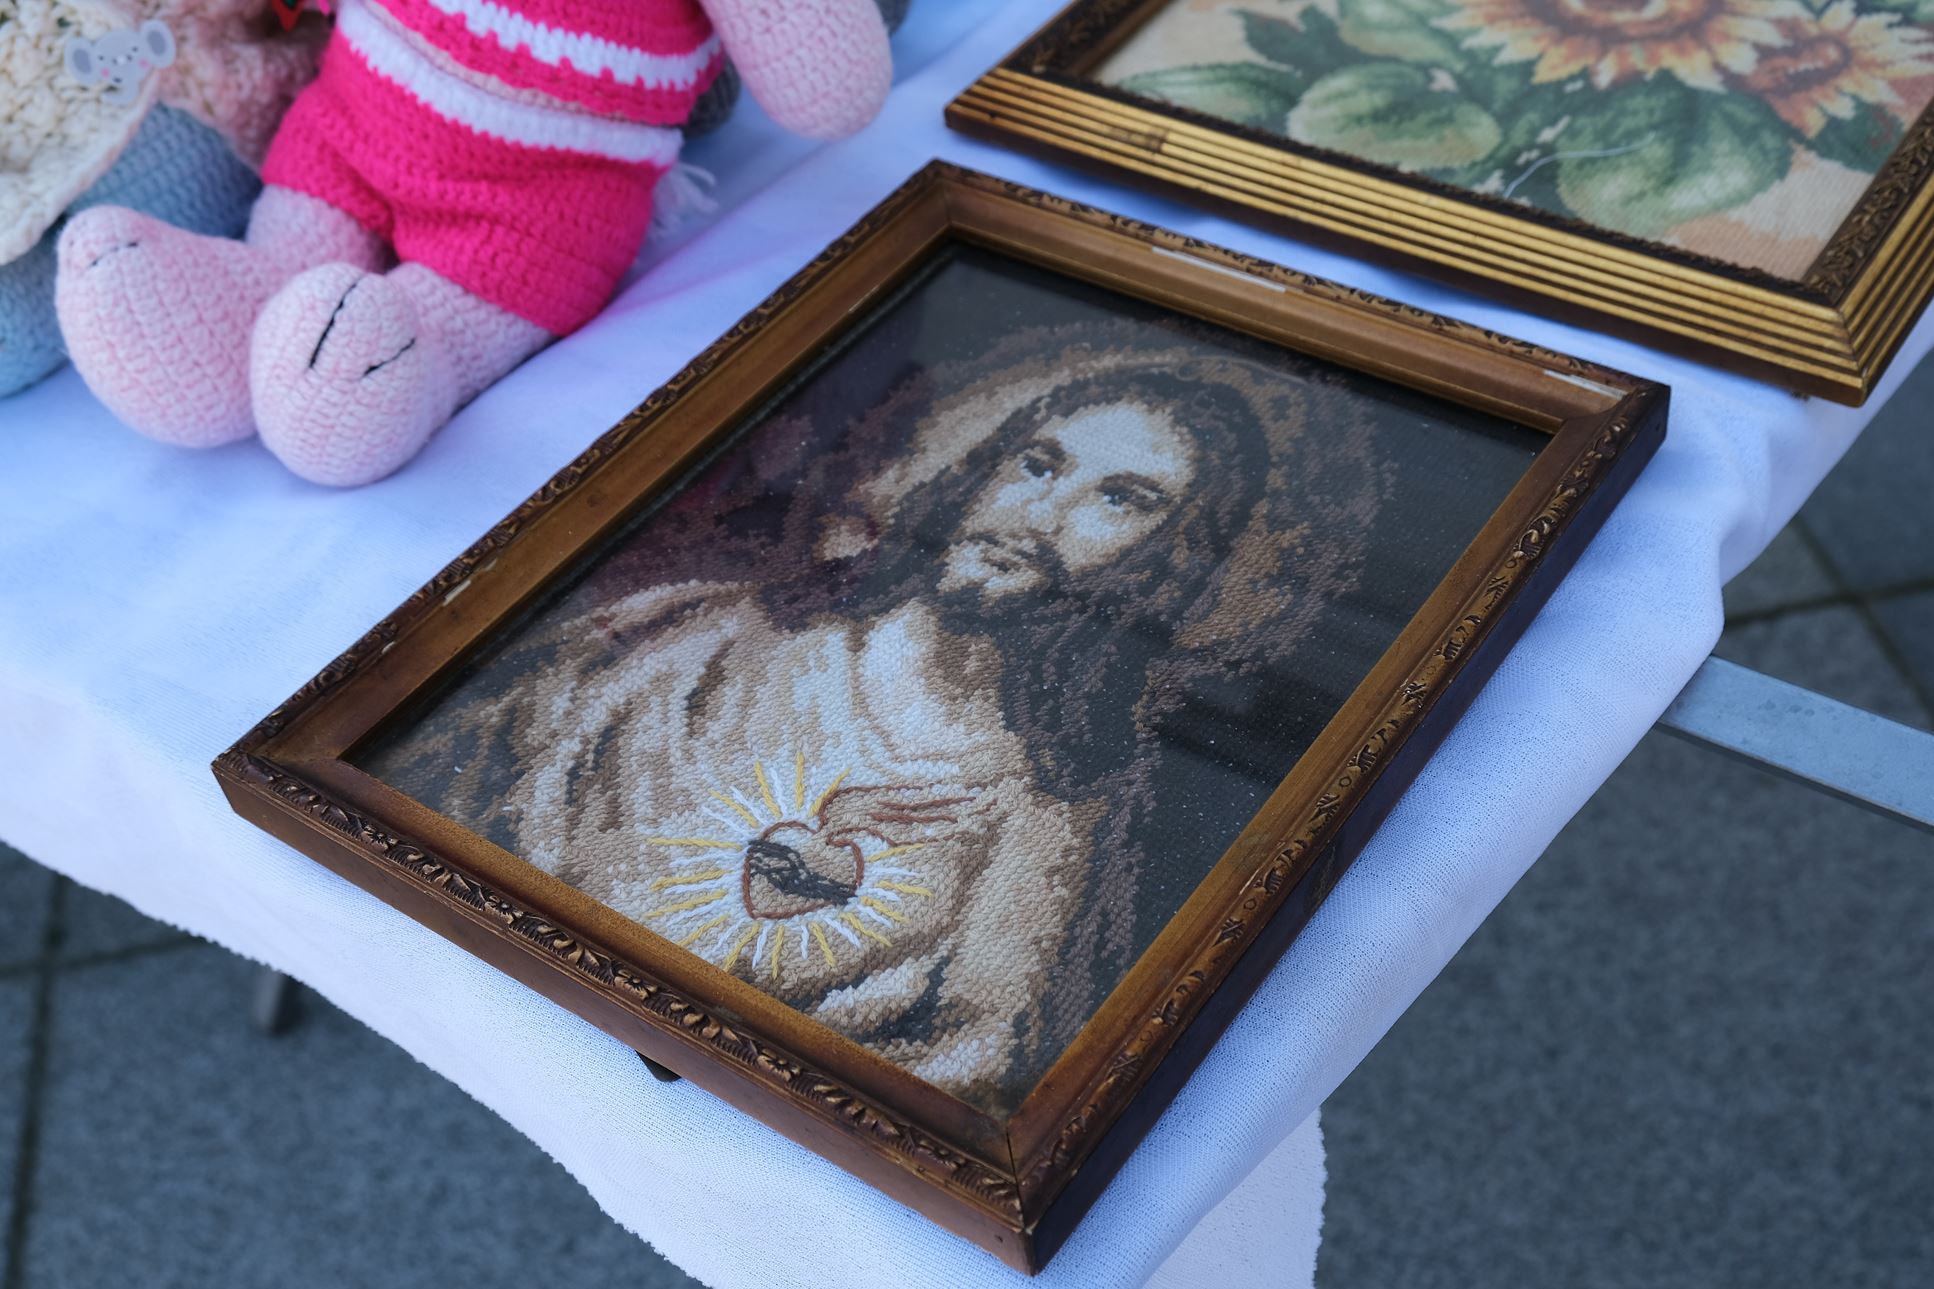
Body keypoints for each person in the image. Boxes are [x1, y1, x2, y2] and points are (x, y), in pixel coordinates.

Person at [371, 361, 1333, 1110]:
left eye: (1121, 499)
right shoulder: (720, 635)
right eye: (1038, 464)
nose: (1040, 512)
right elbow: (479, 779)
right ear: (983, 470)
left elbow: (973, 1063)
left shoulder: (1042, 816)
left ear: (1163, 561)